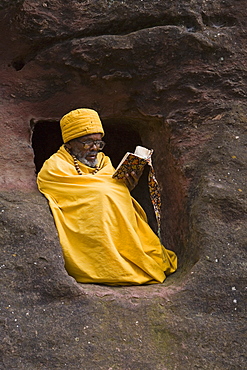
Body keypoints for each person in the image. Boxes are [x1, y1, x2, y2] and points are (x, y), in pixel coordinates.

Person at [37, 108, 177, 285]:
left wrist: (127, 188)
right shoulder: (54, 166)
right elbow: (89, 195)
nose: (95, 148)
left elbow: (112, 193)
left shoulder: (104, 161)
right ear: (70, 143)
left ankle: (131, 254)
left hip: (120, 230)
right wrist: (106, 192)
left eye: (99, 143)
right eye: (87, 142)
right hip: (87, 233)